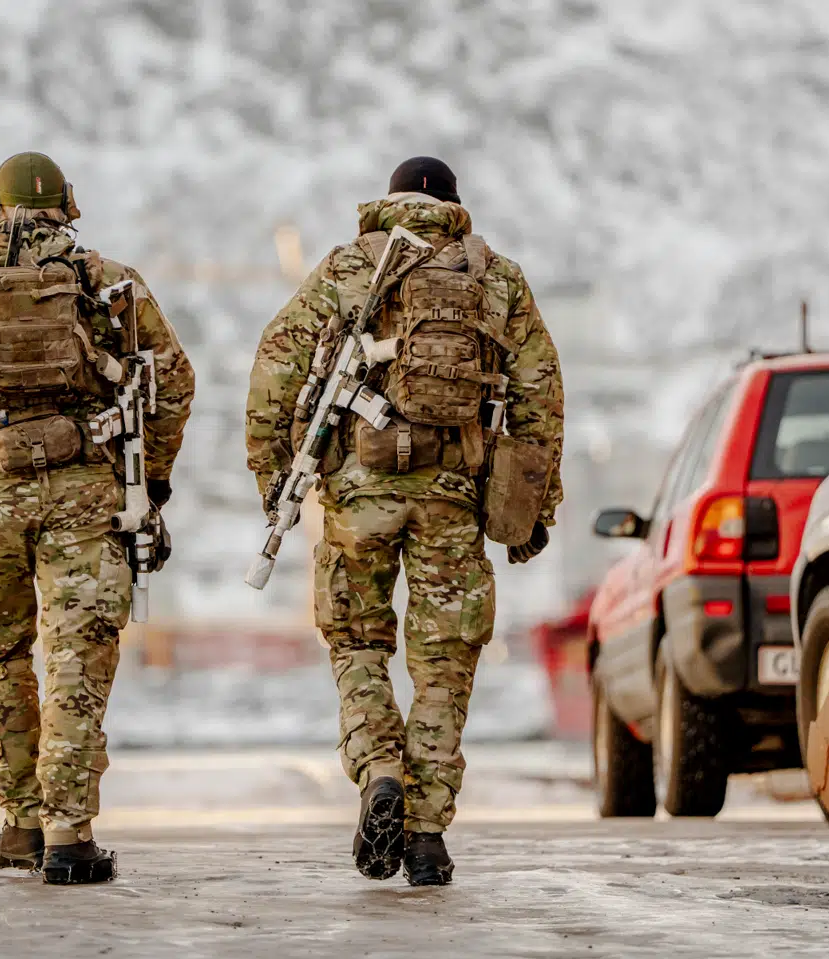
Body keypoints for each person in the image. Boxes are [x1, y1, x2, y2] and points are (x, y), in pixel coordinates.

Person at [245, 156, 564, 885]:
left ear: (388, 201)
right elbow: (542, 393)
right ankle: (425, 834)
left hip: (359, 494)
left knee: (357, 640)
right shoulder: (497, 276)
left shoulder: (347, 265)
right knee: (445, 662)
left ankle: (380, 767)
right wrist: (533, 505)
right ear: (453, 205)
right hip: (453, 493)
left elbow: (276, 366)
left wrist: (273, 473)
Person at [0, 152, 195, 885]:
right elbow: (174, 382)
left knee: (4, 659)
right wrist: (152, 479)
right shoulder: (109, 285)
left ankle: (20, 821)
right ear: (68, 206)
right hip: (87, 498)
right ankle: (68, 834)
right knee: (76, 663)